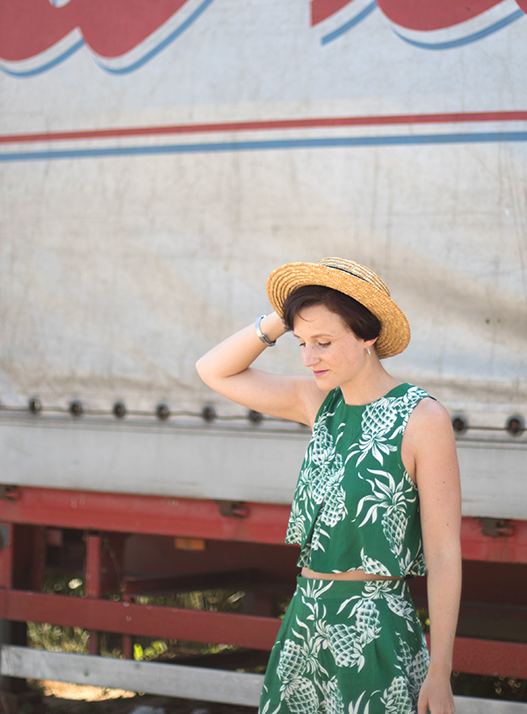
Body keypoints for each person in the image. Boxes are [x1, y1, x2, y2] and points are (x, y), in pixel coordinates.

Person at [196, 257, 461, 714]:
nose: (308, 357)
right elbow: (213, 370)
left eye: (323, 342)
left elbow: (443, 553)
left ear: (367, 335)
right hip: (305, 625)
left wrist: (441, 672)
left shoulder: (423, 418)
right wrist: (285, 316)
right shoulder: (318, 402)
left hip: (375, 633)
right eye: (301, 342)